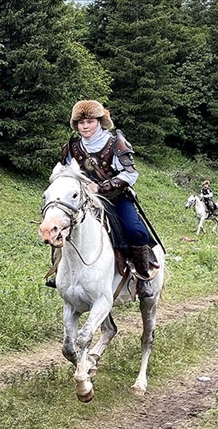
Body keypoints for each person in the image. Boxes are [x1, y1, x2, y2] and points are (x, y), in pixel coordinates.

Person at [58, 100, 157, 298]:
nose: (85, 126)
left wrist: (102, 186)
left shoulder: (115, 143)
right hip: (84, 201)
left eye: (90, 121)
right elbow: (63, 171)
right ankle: (62, 276)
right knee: (60, 229)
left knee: (134, 231)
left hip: (116, 198)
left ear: (100, 121)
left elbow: (130, 175)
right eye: (80, 122)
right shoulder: (72, 147)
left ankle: (143, 277)